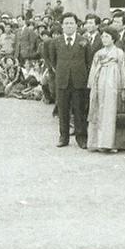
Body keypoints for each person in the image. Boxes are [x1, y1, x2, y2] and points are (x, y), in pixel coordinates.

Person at [49, 12, 92, 149]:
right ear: (62, 26)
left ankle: (81, 138)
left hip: (79, 80)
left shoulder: (83, 41)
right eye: (66, 23)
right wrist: (62, 71)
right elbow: (53, 60)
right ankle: (63, 137)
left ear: (76, 25)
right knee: (63, 110)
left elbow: (88, 61)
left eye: (71, 23)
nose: (68, 26)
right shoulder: (56, 42)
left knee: (79, 110)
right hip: (62, 80)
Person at [87, 26, 125, 152]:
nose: (104, 39)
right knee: (98, 110)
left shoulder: (119, 53)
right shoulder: (99, 53)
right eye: (102, 36)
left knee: (111, 112)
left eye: (107, 37)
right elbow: (93, 69)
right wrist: (92, 84)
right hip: (100, 83)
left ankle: (110, 143)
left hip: (113, 84)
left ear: (113, 39)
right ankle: (97, 142)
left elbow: (122, 69)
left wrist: (123, 86)